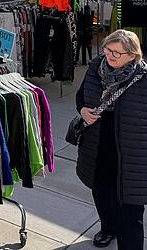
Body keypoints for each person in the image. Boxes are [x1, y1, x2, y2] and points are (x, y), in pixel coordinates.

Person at [75, 30, 147, 249]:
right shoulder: (96, 68)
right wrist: (83, 110)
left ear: (133, 55)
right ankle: (108, 228)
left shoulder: (143, 79)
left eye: (117, 52)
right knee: (102, 195)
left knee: (131, 211)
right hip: (98, 149)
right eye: (108, 49)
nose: (111, 56)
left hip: (133, 156)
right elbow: (81, 96)